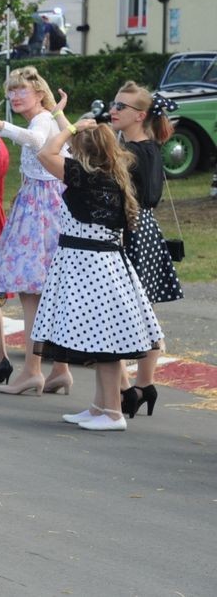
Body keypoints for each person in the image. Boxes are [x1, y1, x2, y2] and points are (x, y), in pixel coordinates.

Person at [34, 120, 162, 431]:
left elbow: (45, 152)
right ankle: (99, 406)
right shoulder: (113, 178)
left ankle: (113, 413)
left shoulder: (83, 177)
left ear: (81, 151)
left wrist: (72, 128)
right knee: (100, 338)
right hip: (103, 264)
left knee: (105, 343)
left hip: (87, 266)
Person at [0, 67, 73, 394]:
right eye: (12, 91)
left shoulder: (41, 120)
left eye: (21, 90)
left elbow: (34, 139)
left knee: (33, 292)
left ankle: (34, 370)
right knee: (38, 292)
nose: (15, 96)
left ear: (39, 93)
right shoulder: (48, 118)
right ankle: (57, 369)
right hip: (39, 200)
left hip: (43, 207)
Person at [108, 82, 184, 418]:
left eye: (121, 107)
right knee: (143, 312)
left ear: (140, 115)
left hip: (131, 230)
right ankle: (142, 384)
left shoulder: (132, 153)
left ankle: (127, 388)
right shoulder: (149, 147)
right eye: (114, 103)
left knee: (124, 313)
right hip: (146, 229)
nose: (114, 109)